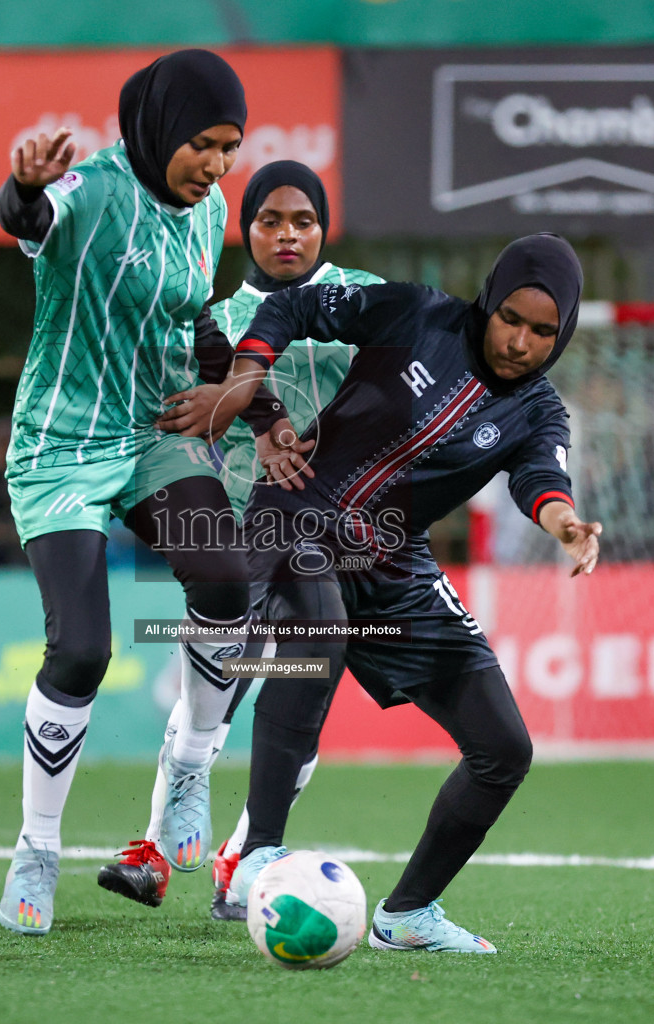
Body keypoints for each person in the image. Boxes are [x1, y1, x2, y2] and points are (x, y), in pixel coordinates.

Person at [168, 235, 602, 953]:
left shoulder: (539, 411)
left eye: (542, 332)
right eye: (511, 320)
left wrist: (564, 523)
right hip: (296, 513)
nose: (521, 342)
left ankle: (409, 915)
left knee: (505, 749)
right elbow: (294, 305)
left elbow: (540, 480)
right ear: (489, 302)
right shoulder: (416, 314)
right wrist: (249, 377)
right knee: (321, 632)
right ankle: (258, 856)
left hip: (394, 559)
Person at [0, 49, 293, 937]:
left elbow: (198, 325)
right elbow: (29, 219)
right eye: (203, 143)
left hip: (155, 434)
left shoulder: (207, 213)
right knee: (82, 650)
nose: (218, 165)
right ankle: (36, 850)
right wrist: (22, 190)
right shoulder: (88, 191)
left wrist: (260, 409)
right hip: (62, 444)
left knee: (229, 581)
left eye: (231, 148)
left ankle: (189, 766)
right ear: (161, 126)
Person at [97, 161, 383, 920]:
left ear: (324, 227)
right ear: (245, 228)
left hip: (332, 531)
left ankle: (243, 858)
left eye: (302, 221)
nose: (287, 234)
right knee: (218, 687)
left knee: (308, 682)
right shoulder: (220, 321)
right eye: (269, 221)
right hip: (238, 523)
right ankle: (155, 850)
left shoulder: (367, 301)